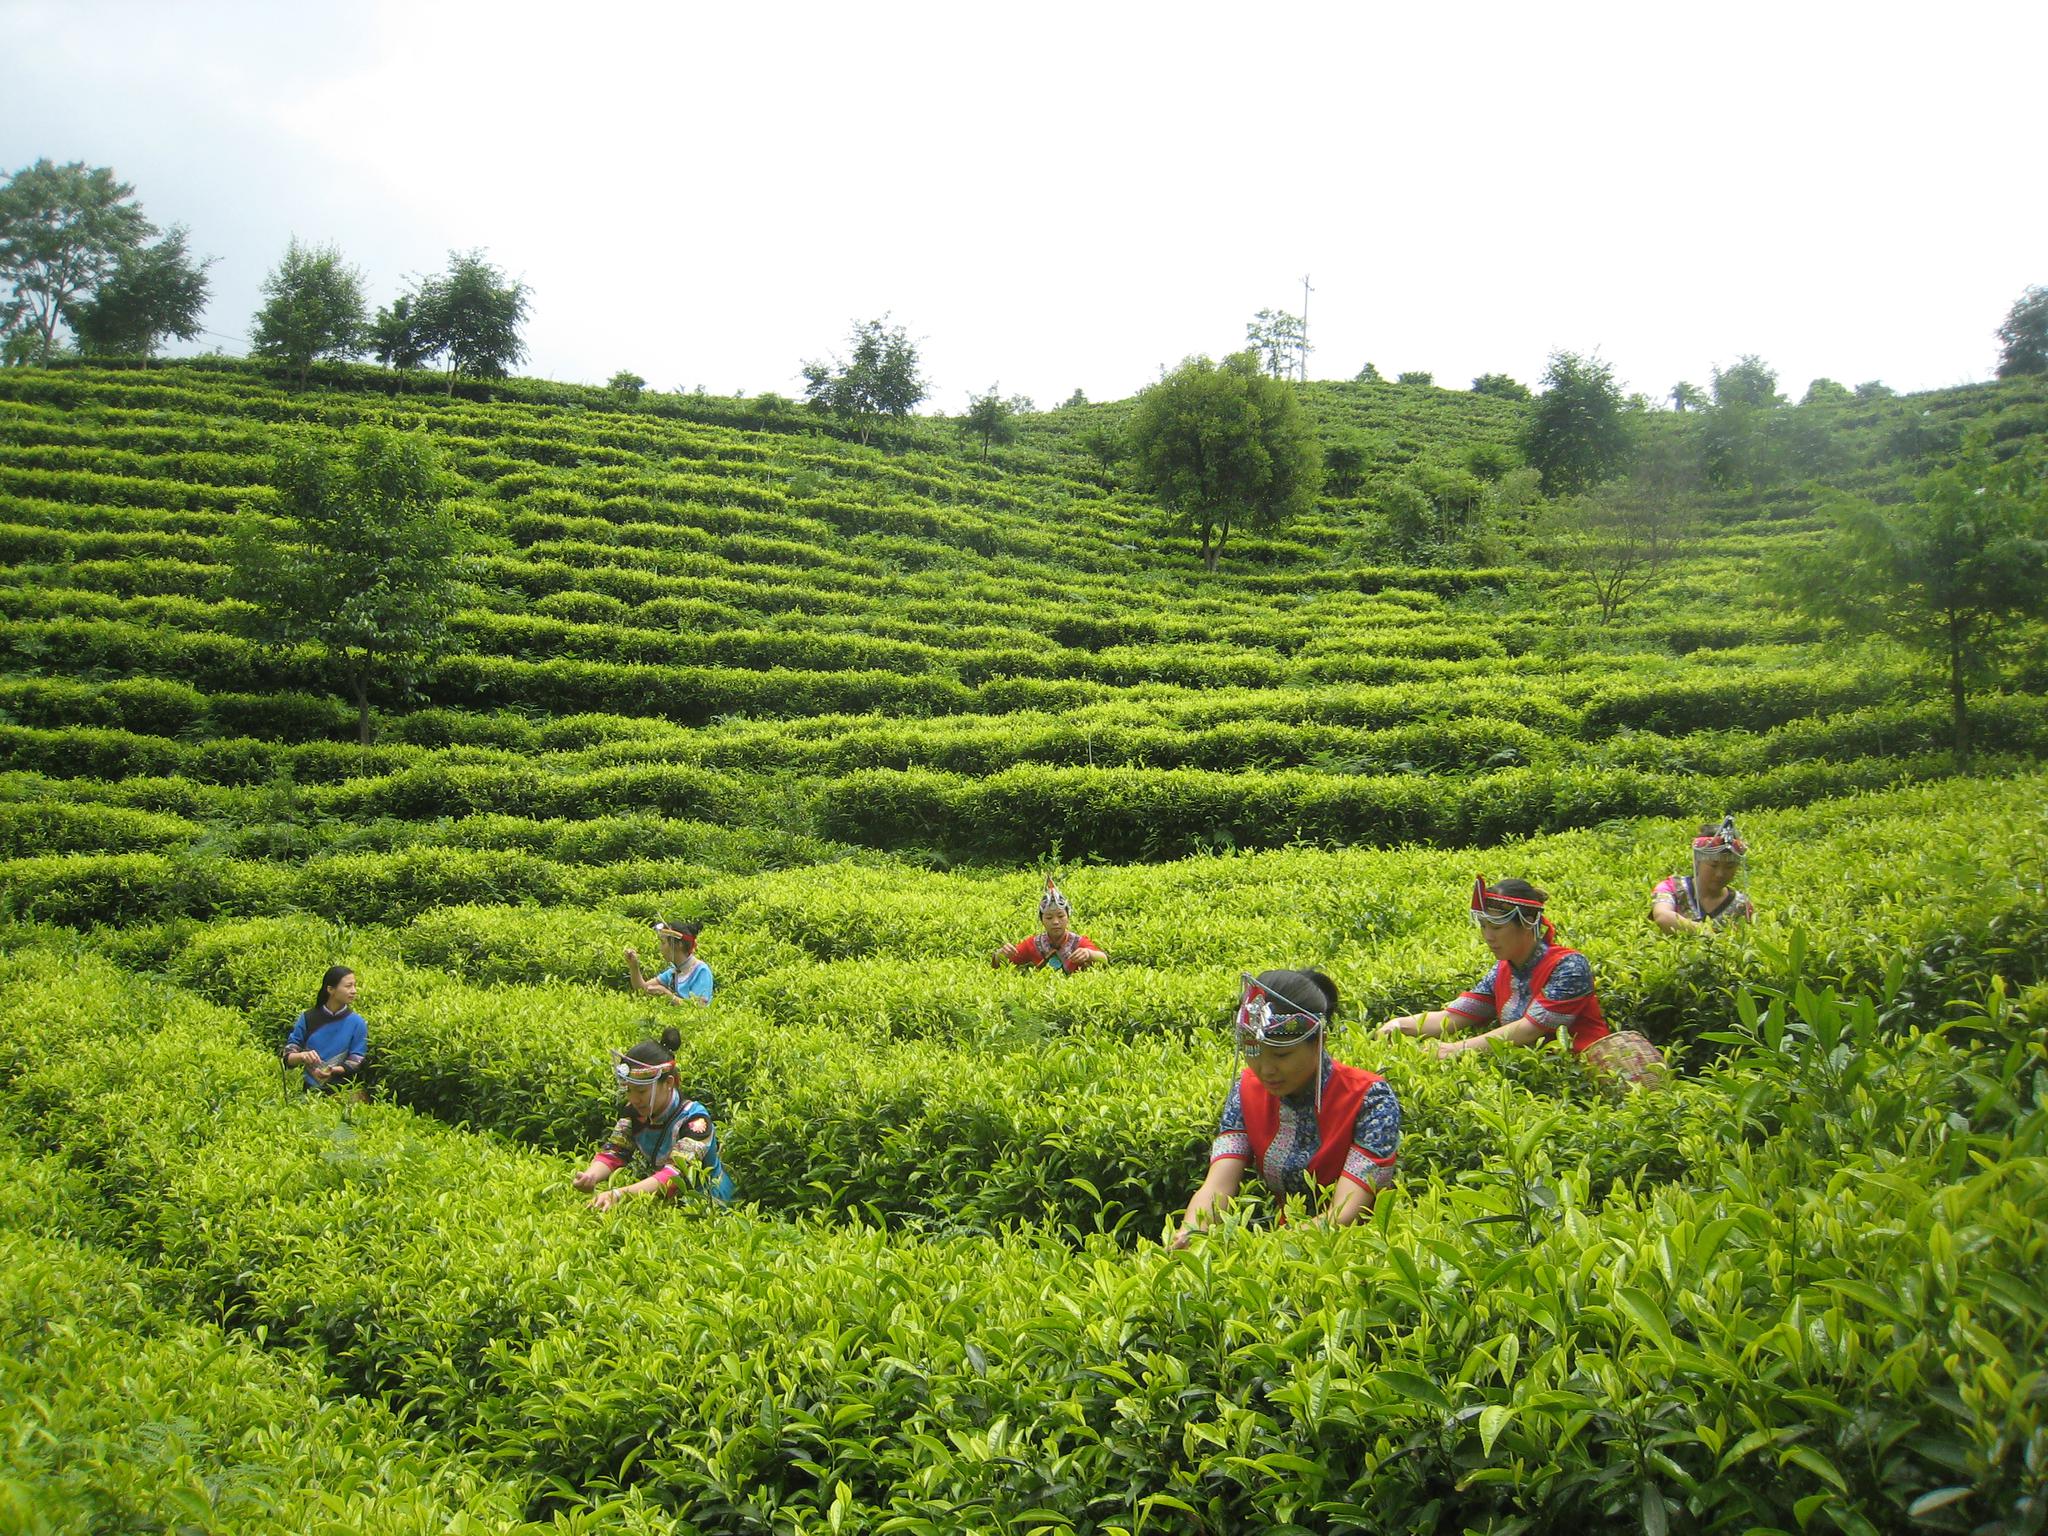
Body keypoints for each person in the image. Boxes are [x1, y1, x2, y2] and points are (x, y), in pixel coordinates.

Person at [1174, 969, 1399, 1246]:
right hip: (1281, 1248)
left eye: (1282, 1054)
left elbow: (1347, 1214)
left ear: (1319, 1041)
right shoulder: (1246, 1091)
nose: (1266, 1070)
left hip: (1363, 1251)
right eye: (1254, 1053)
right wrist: (1191, 1230)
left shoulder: (1371, 1099)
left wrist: (1266, 1249)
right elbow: (1218, 1185)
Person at [1380, 877, 1665, 1089]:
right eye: (1484, 927)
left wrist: (1455, 1049)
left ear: (1527, 923)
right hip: (1534, 1083)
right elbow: (1455, 1016)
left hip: (1589, 1080)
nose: (1488, 937)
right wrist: (1401, 1024)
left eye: (1497, 927)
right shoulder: (1501, 971)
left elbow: (1531, 1029)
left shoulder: (1569, 965)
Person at [572, 1026, 734, 1209]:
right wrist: (590, 1176)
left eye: (641, 1091)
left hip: (711, 1204)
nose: (633, 1099)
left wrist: (618, 1194)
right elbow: (615, 1151)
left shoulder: (695, 1120)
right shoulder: (633, 1112)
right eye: (629, 1090)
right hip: (666, 1202)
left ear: (669, 1083)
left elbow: (674, 1175)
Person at [1651, 816, 1755, 933]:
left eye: (1729, 867)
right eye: (1713, 865)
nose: (1720, 874)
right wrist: (1711, 933)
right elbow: (1663, 917)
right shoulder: (1672, 888)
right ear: (1697, 861)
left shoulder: (1741, 905)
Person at [283, 965, 368, 1094]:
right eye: (348, 986)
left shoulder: (357, 1023)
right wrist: (302, 1056)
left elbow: (356, 1060)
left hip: (342, 1092)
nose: (354, 991)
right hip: (309, 1092)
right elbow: (288, 1056)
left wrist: (333, 1070)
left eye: (354, 985)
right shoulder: (308, 1018)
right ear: (330, 989)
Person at [991, 879, 1106, 972]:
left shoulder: (1079, 942)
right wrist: (1000, 954)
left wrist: (1089, 954)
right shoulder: (1033, 944)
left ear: (1068, 917)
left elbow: (1103, 959)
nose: (1056, 922)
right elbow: (1002, 963)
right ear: (1042, 920)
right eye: (1049, 917)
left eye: (1061, 916)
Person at [626, 918, 713, 1005]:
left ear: (679, 945)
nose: (660, 948)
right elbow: (642, 989)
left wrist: (667, 994)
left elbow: (700, 1007)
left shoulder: (701, 971)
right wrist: (634, 966)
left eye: (663, 943)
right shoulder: (673, 972)